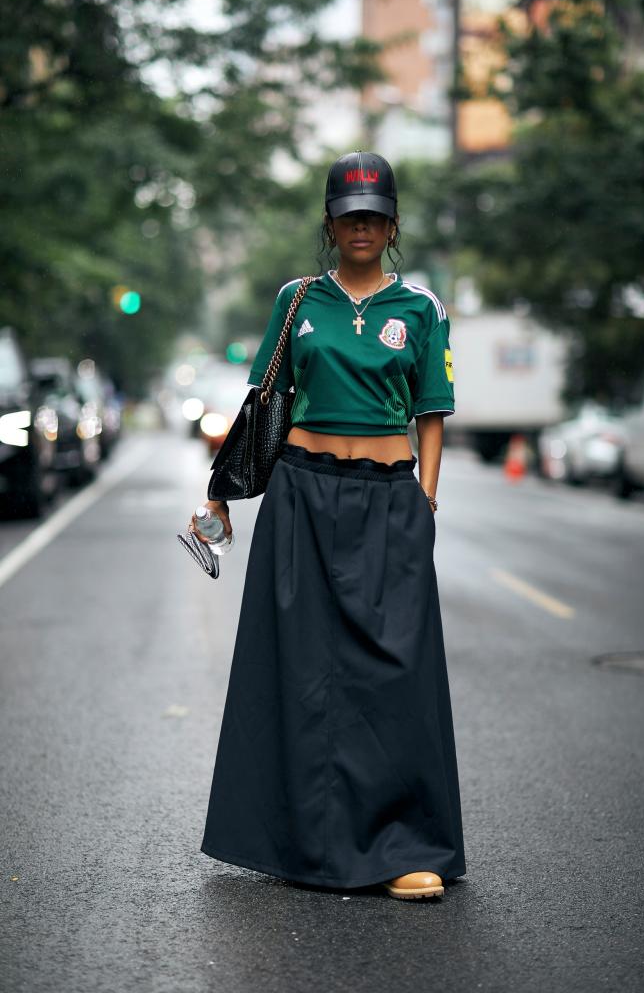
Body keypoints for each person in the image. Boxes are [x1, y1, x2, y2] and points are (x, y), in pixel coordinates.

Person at [190, 151, 466, 900]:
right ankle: (303, 840)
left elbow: (430, 414)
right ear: (329, 223)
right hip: (302, 495)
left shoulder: (420, 310)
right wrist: (221, 492)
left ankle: (406, 845)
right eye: (349, 217)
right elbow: (264, 402)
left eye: (374, 216)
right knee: (303, 672)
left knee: (393, 674)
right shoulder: (298, 300)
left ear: (392, 224)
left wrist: (427, 500)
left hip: (388, 496)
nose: (362, 228)